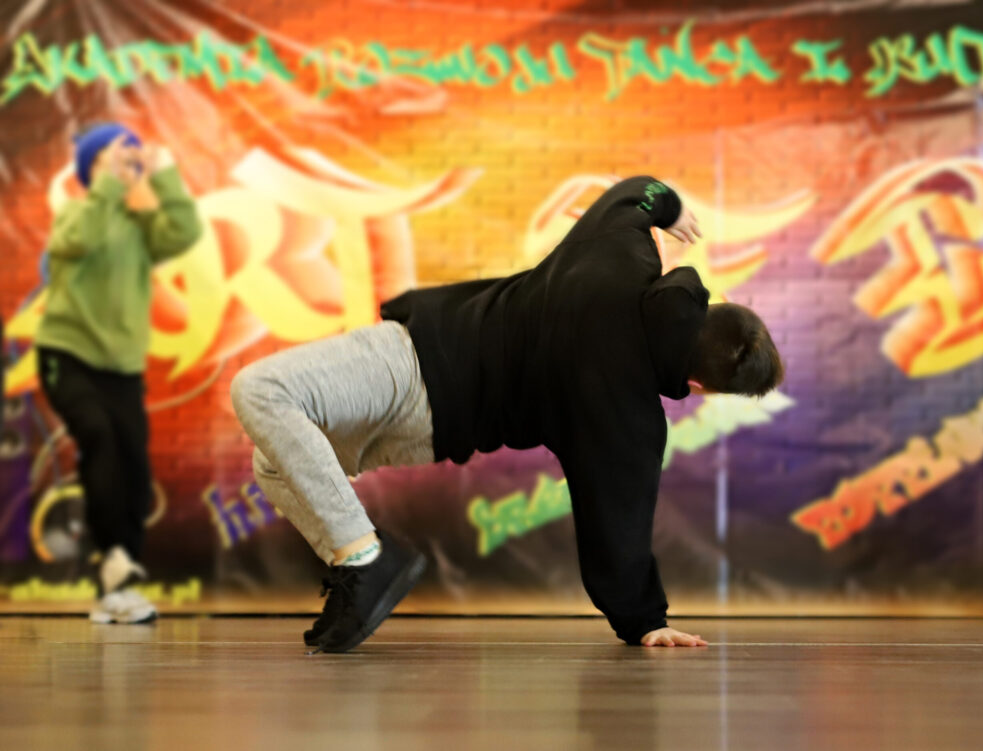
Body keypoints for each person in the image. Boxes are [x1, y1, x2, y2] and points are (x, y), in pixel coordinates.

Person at [231, 176, 784, 652]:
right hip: (433, 429)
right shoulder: (631, 421)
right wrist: (645, 621)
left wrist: (672, 207)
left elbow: (635, 192)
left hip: (413, 356)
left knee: (260, 388)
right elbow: (619, 529)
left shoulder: (620, 254)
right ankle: (358, 566)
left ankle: (362, 556)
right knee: (273, 462)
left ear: (708, 304)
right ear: (696, 384)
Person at [35, 123, 202, 624]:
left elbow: (185, 230)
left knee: (133, 464)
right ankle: (113, 566)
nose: (123, 163)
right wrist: (108, 178)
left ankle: (120, 570)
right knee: (99, 437)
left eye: (127, 156)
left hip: (121, 370)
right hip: (67, 355)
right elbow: (83, 236)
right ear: (94, 168)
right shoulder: (75, 213)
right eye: (113, 156)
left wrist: (164, 175)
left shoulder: (137, 226)